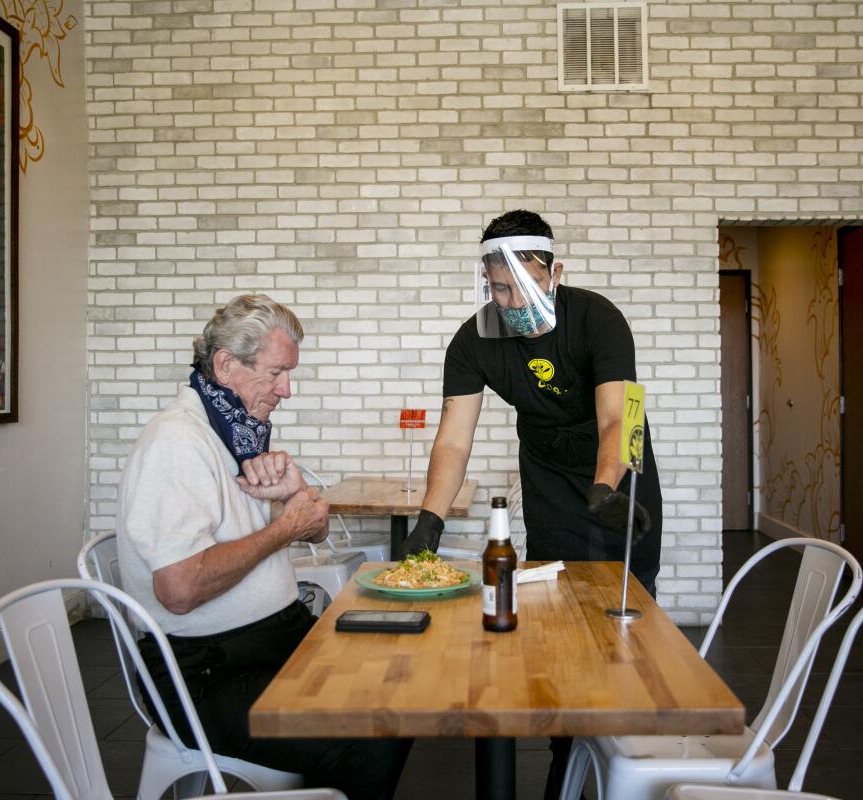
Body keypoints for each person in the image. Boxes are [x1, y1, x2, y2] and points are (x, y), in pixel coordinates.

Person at [402, 210, 663, 799]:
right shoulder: (475, 340)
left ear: (555, 274)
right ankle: (563, 757)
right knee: (555, 617)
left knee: (621, 616)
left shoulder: (598, 318)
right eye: (498, 288)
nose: (510, 300)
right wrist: (429, 520)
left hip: (617, 469)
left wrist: (605, 488)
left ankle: (624, 747)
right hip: (545, 468)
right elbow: (453, 437)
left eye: (522, 286)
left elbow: (622, 417)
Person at [116, 294, 411, 800]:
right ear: (226, 364)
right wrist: (283, 528)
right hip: (206, 675)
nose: (287, 390)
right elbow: (180, 588)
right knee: (373, 734)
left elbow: (311, 527)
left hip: (269, 642)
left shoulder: (234, 431)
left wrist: (293, 503)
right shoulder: (176, 442)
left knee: (400, 686)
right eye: (276, 374)